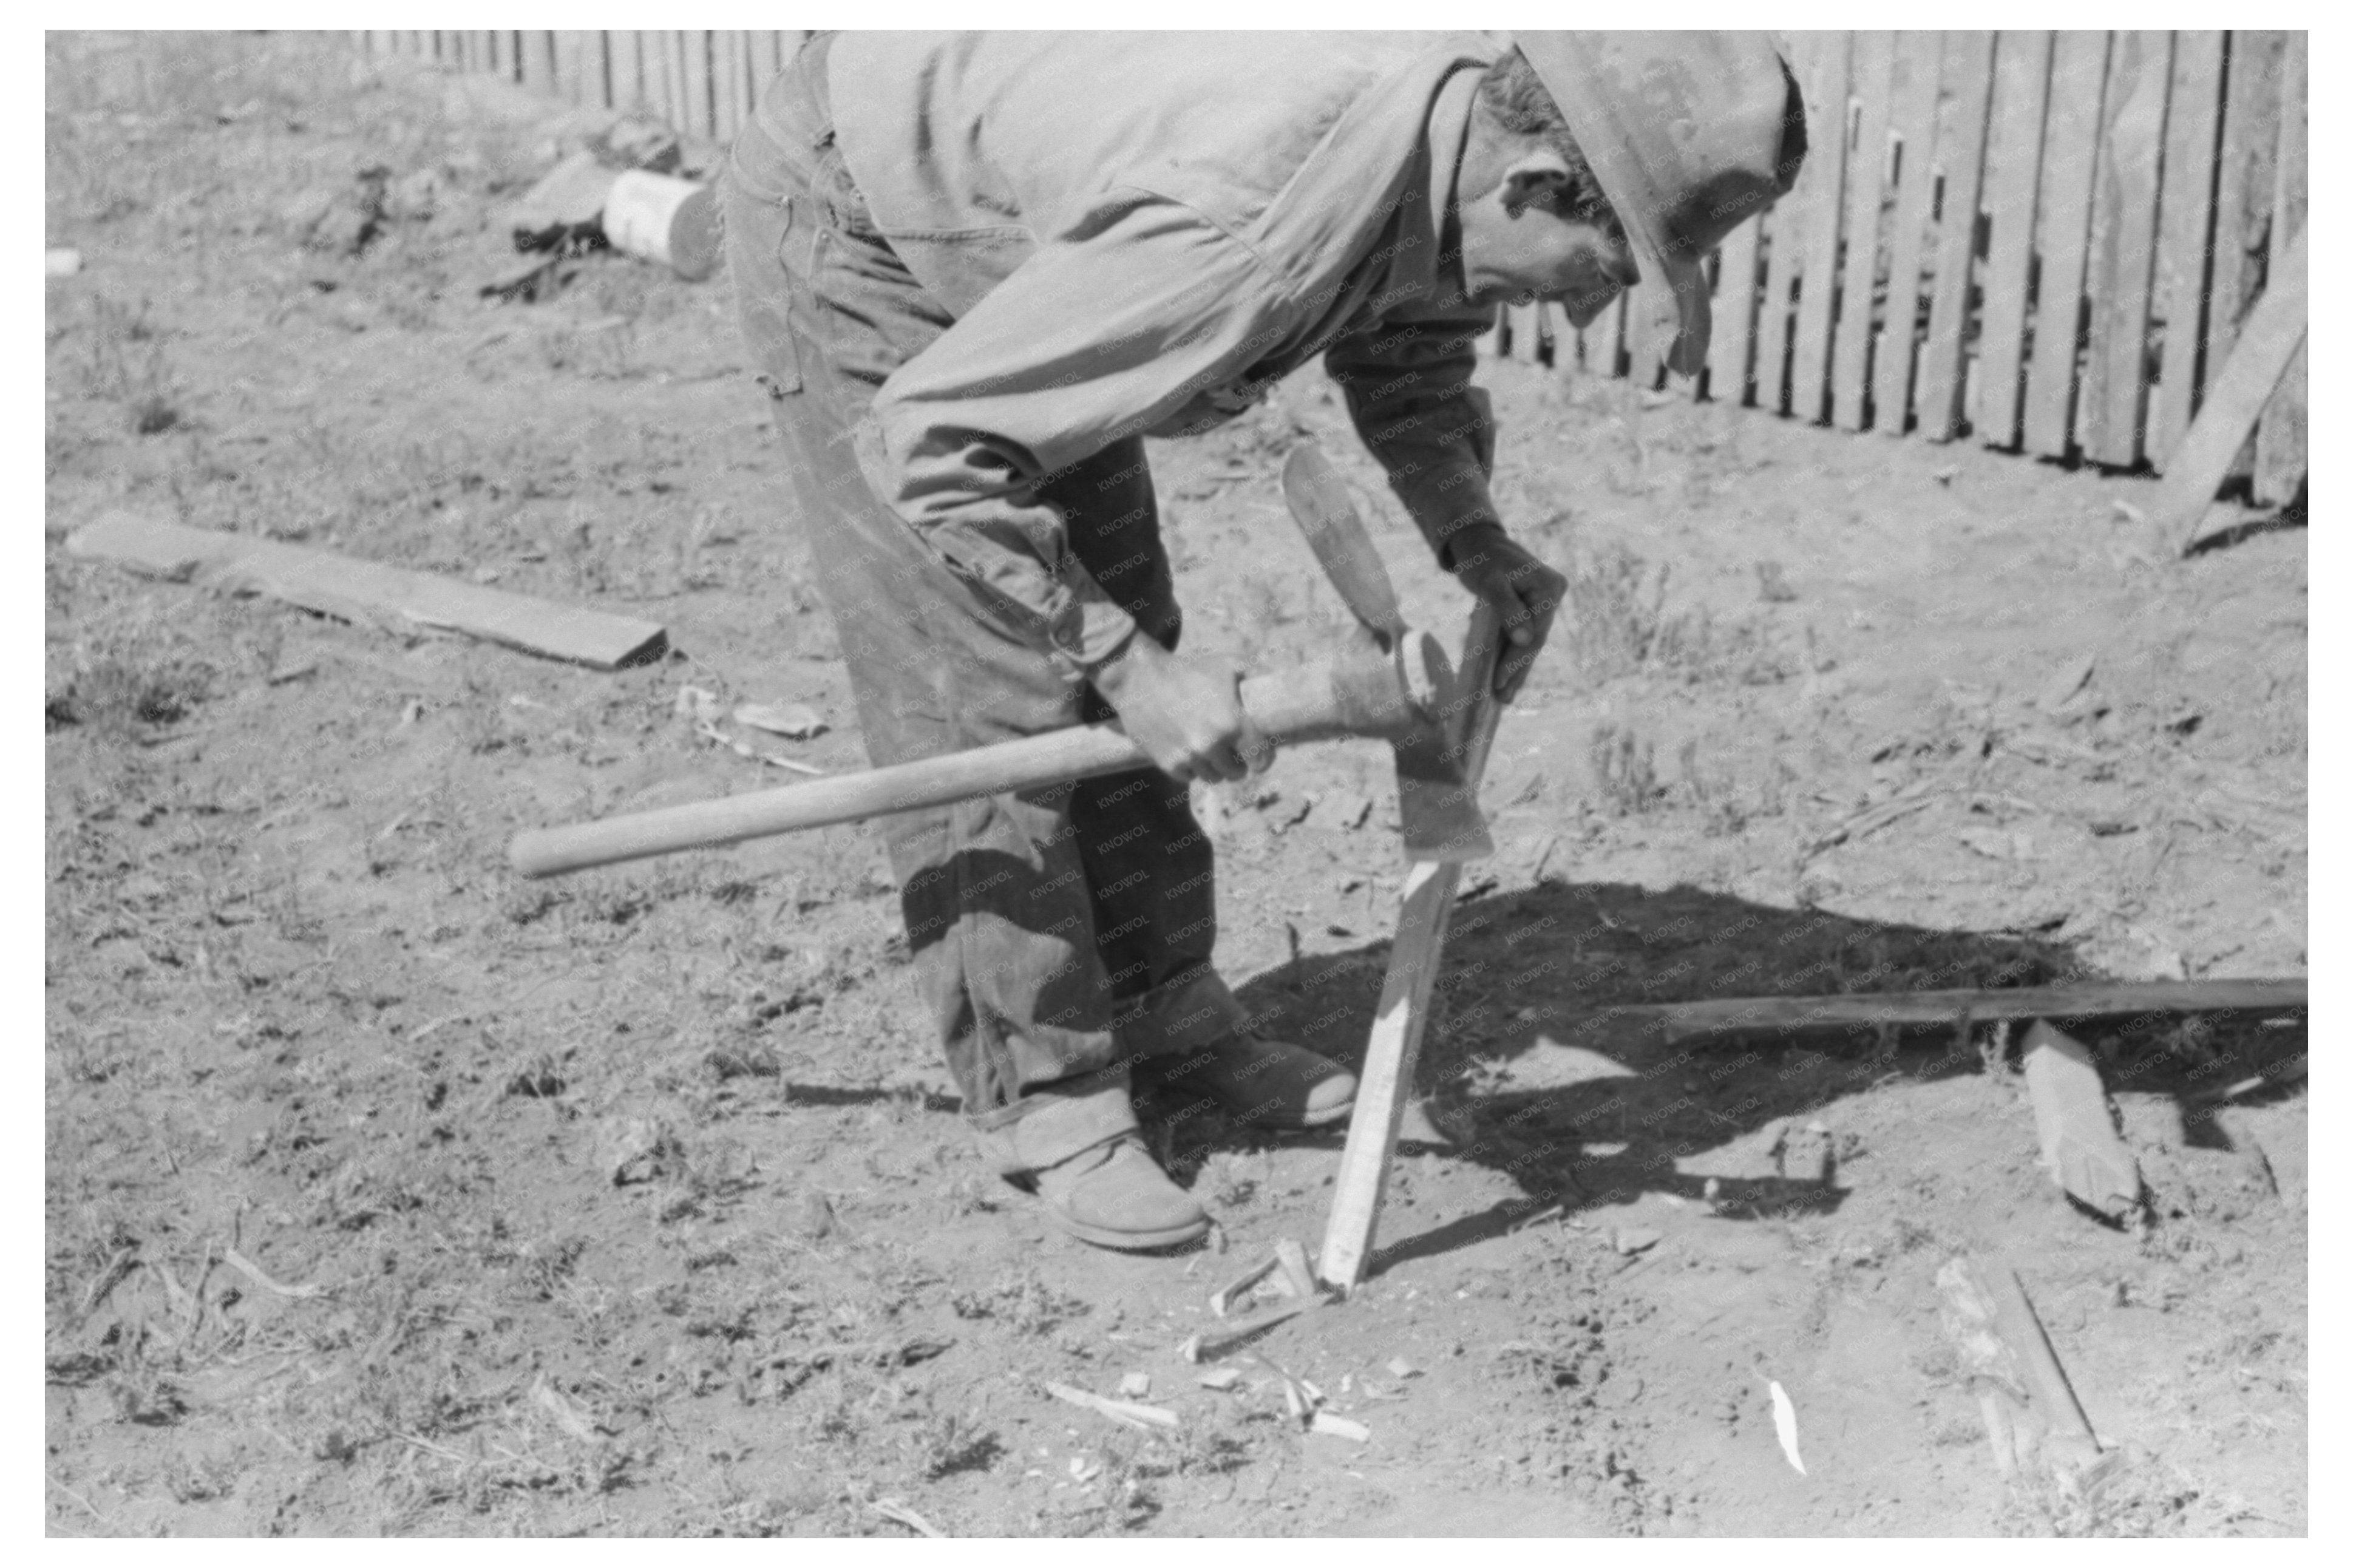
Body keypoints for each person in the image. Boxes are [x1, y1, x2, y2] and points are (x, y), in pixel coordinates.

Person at [720, 31, 1804, 1251]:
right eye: (1603, 264)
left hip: (1057, 196)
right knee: (991, 674)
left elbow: (1410, 340)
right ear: (1535, 187)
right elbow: (934, 443)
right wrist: (1129, 673)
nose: (1590, 302)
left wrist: (1469, 532)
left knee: (1125, 609)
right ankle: (1046, 1093)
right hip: (872, 214)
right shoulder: (1245, 227)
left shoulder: (1448, 153)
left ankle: (1168, 1012)